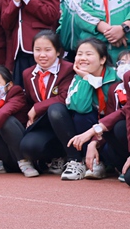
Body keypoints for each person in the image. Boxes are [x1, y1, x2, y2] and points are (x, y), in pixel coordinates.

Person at [48, 38, 121, 180]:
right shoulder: (78, 78)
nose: (83, 58)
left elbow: (118, 113)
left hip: (110, 129)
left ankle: (103, 162)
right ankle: (80, 162)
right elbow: (80, 107)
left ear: (102, 59)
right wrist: (86, 78)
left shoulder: (116, 77)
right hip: (90, 129)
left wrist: (95, 141)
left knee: (110, 147)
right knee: (77, 114)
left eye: (88, 54)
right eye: (79, 54)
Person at [18, 30, 74, 177]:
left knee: (56, 109)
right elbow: (28, 101)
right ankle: (55, 157)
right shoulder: (28, 73)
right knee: (28, 146)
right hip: (43, 123)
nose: (42, 55)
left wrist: (37, 108)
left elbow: (64, 97)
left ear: (58, 52)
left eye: (48, 50)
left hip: (64, 121)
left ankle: (73, 158)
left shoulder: (68, 69)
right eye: (37, 50)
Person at [2, 0, 60, 86]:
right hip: (19, 51)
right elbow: (6, 24)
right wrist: (15, 2)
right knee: (22, 88)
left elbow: (50, 16)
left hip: (41, 49)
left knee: (43, 86)